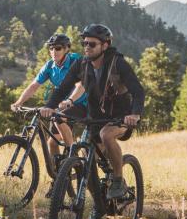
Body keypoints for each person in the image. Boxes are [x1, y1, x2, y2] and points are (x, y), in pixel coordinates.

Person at [40, 24, 144, 202]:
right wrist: (50, 106)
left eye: (92, 44)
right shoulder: (82, 64)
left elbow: (138, 91)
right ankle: (99, 206)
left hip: (121, 116)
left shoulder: (118, 63)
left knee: (106, 134)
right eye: (85, 43)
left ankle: (118, 180)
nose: (87, 47)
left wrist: (134, 114)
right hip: (95, 116)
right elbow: (62, 88)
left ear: (105, 45)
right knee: (87, 164)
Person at [11, 33, 88, 181]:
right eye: (51, 48)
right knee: (52, 142)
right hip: (62, 105)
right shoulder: (49, 66)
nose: (54, 52)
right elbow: (34, 85)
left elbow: (81, 85)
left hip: (82, 102)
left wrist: (70, 100)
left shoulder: (76, 61)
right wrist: (19, 102)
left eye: (58, 48)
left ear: (66, 49)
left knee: (60, 117)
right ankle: (58, 180)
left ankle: (73, 156)